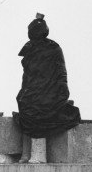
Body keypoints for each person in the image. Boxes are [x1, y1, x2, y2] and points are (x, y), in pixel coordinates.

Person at [14, 13, 81, 141]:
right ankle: (28, 153)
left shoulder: (51, 48)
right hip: (35, 92)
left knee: (39, 111)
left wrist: (61, 94)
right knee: (29, 109)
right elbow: (28, 77)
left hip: (50, 93)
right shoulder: (32, 48)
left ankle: (34, 154)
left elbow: (60, 74)